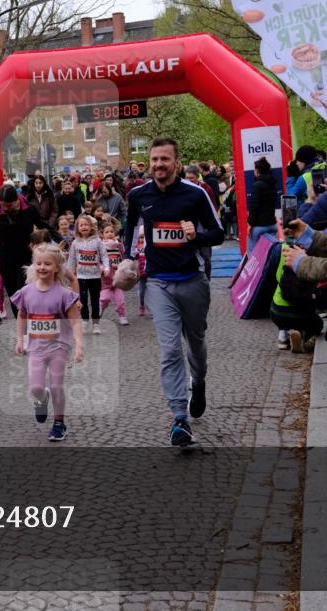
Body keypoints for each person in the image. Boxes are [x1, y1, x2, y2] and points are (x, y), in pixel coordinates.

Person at [122, 137, 224, 446]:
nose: (158, 165)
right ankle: (180, 417)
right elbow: (131, 227)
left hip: (192, 280)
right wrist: (127, 258)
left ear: (176, 163)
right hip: (158, 282)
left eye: (164, 159)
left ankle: (199, 382)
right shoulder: (139, 195)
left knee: (196, 343)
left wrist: (196, 236)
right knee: (169, 350)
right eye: (154, 159)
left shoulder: (195, 193)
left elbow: (218, 233)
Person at [11, 243, 83, 442]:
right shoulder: (26, 292)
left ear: (57, 267)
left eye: (47, 264)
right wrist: (20, 339)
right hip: (35, 347)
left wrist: (79, 345)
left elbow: (75, 321)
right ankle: (42, 399)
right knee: (35, 388)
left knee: (57, 385)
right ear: (33, 265)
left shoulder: (64, 294)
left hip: (59, 345)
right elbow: (22, 316)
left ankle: (59, 423)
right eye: (38, 263)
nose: (42, 267)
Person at [0, 184, 55, 319]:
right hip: (6, 260)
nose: (5, 208)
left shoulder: (29, 210)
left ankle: (33, 320)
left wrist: (59, 239)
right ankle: (21, 326)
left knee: (23, 290)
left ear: (17, 200)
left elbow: (43, 225)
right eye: (3, 205)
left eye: (8, 205)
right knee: (14, 297)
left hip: (26, 257)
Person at [66, 214, 109, 333]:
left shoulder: (98, 241)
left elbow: (104, 256)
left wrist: (106, 267)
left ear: (91, 227)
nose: (84, 227)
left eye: (86, 224)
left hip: (95, 276)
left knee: (95, 300)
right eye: (81, 225)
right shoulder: (75, 242)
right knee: (83, 300)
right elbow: (71, 259)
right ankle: (85, 320)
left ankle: (96, 323)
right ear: (77, 228)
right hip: (81, 276)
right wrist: (70, 274)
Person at [247, 157, 278, 252]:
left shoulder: (257, 185)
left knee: (254, 254)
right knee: (270, 253)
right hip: (272, 224)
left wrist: (250, 224)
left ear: (257, 170)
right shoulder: (273, 184)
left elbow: (254, 207)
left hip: (259, 226)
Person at [99, 224, 128, 325]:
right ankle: (100, 310)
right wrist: (101, 267)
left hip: (118, 278)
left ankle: (122, 316)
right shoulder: (101, 246)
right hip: (106, 279)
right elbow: (97, 260)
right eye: (106, 232)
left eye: (111, 232)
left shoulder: (118, 245)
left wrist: (124, 267)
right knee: (104, 299)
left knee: (120, 301)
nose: (109, 234)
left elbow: (123, 255)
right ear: (102, 235)